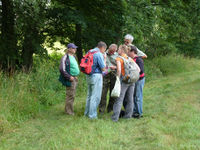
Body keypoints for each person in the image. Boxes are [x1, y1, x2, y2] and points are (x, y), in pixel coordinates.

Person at [111, 45, 140, 122]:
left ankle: (115, 118)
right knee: (130, 99)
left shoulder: (119, 58)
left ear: (122, 50)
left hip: (124, 80)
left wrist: (117, 78)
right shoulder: (129, 58)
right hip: (131, 80)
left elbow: (119, 70)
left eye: (119, 49)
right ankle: (128, 116)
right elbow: (138, 69)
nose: (117, 50)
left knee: (119, 99)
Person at [84, 41, 107, 119]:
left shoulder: (90, 51)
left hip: (88, 75)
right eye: (104, 50)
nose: (104, 51)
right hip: (96, 76)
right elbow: (103, 68)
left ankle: (86, 113)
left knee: (89, 95)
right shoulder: (98, 54)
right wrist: (105, 59)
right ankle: (92, 115)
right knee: (96, 96)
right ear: (102, 48)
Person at [59, 43, 80, 115]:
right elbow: (62, 69)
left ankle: (68, 110)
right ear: (69, 49)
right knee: (70, 95)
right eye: (73, 48)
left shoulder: (73, 56)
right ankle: (69, 112)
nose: (75, 49)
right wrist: (69, 77)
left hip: (74, 78)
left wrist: (75, 75)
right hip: (70, 78)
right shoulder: (65, 57)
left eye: (75, 48)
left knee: (72, 95)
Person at [99, 44, 118, 114]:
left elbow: (120, 65)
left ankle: (110, 109)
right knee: (103, 93)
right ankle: (101, 110)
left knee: (113, 93)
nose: (112, 53)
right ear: (109, 49)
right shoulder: (103, 54)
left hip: (114, 75)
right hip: (105, 75)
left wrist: (115, 67)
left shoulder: (117, 55)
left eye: (114, 51)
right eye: (111, 51)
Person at [128, 46, 145, 118]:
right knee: (134, 96)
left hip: (139, 80)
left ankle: (139, 112)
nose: (128, 53)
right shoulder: (132, 59)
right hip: (135, 80)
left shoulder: (138, 59)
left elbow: (141, 70)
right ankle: (134, 111)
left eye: (129, 52)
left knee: (138, 96)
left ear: (133, 52)